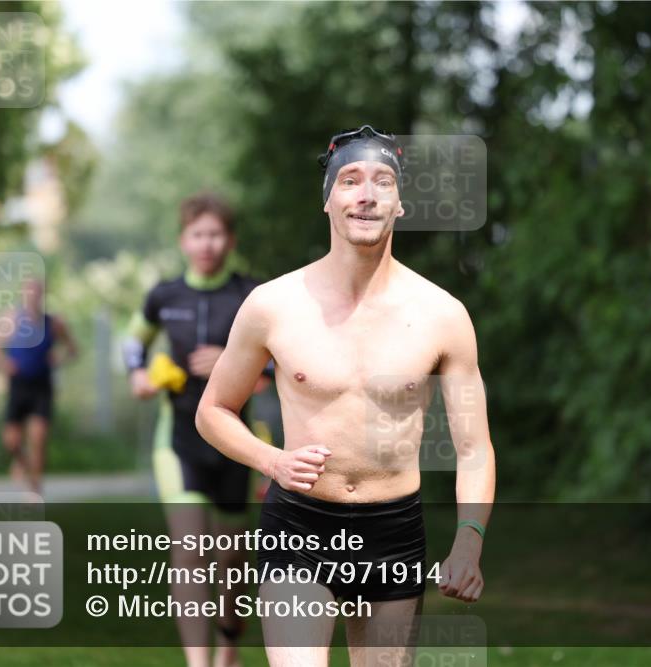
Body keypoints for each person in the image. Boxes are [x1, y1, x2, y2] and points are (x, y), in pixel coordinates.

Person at [196, 125, 496, 667]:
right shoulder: (273, 305)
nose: (367, 194)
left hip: (393, 533)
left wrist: (469, 541)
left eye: (383, 181)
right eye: (351, 180)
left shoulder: (443, 315)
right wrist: (272, 461)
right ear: (328, 200)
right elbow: (213, 411)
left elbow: (473, 448)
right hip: (299, 527)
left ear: (400, 204)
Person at [123, 192, 273, 667]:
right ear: (183, 240)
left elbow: (280, 362)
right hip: (179, 442)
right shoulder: (164, 296)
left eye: (216, 234)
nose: (207, 244)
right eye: (198, 234)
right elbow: (132, 341)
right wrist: (139, 375)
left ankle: (228, 645)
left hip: (234, 444)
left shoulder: (252, 296)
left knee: (230, 559)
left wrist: (233, 364)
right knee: (189, 551)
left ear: (231, 240)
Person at [0, 278, 79, 496]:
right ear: (22, 294)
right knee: (11, 441)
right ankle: (21, 461)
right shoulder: (10, 319)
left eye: (37, 292)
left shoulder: (54, 323)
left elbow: (73, 350)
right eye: (29, 292)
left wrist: (58, 359)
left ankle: (35, 490)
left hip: (41, 386)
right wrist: (5, 364)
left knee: (38, 438)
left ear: (42, 295)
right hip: (18, 385)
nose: (33, 297)